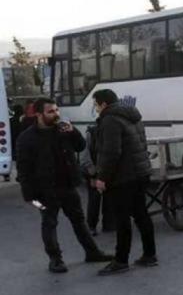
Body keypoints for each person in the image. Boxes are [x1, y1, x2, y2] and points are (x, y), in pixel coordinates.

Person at [15, 97, 112, 273]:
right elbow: (23, 169)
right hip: (44, 191)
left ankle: (93, 252)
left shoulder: (62, 130)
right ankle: (55, 259)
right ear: (38, 114)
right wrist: (29, 195)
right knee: (49, 223)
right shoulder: (27, 138)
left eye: (57, 110)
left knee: (79, 221)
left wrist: (73, 131)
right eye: (50, 111)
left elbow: (81, 146)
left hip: (68, 185)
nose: (56, 114)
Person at [92, 89, 157, 275]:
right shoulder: (133, 115)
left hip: (123, 177)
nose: (95, 109)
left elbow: (111, 152)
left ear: (103, 103)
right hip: (140, 173)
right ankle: (150, 255)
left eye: (95, 104)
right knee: (141, 214)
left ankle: (121, 260)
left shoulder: (110, 119)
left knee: (122, 220)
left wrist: (102, 178)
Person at [79, 124, 115, 235]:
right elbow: (84, 154)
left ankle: (108, 224)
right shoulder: (92, 132)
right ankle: (91, 225)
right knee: (94, 199)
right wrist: (92, 171)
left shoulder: (113, 131)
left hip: (107, 171)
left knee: (109, 198)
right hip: (94, 171)